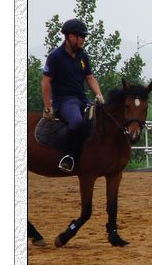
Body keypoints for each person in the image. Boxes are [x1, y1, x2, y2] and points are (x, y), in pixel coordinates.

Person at [41, 18, 106, 172]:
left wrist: (99, 95)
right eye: (81, 37)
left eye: (83, 37)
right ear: (70, 37)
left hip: (82, 98)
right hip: (64, 100)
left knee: (101, 117)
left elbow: (90, 78)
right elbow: (45, 82)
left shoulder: (82, 56)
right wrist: (48, 106)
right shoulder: (55, 57)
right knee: (76, 121)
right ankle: (69, 157)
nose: (83, 40)